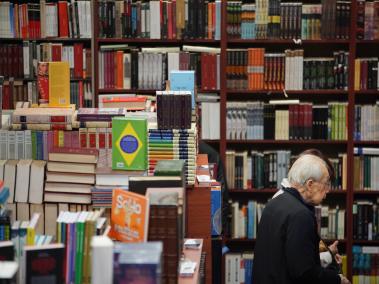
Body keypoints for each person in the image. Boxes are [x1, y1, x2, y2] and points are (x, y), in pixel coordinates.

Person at [252, 154, 350, 284]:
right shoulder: (301, 215)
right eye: (326, 184)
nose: (328, 190)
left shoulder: (274, 203)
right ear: (310, 184)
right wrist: (338, 279)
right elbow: (304, 272)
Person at [273, 149, 342, 270]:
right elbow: (301, 268)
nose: (327, 190)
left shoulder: (285, 200)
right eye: (325, 182)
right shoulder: (297, 211)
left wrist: (328, 253)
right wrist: (329, 257)